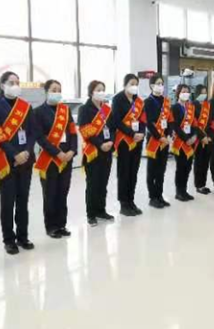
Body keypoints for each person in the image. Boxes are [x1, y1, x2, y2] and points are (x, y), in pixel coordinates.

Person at [0, 71, 37, 255]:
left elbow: (32, 132)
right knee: (7, 202)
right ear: (2, 85)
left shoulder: (26, 107)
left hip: (26, 160)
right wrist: (15, 154)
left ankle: (23, 236)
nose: (15, 85)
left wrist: (27, 151)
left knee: (23, 201)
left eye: (17, 82)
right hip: (6, 160)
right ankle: (8, 240)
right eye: (11, 82)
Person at [34, 80, 77, 239]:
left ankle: (61, 224)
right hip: (50, 158)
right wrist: (57, 153)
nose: (57, 92)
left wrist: (72, 150)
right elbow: (40, 138)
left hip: (67, 158)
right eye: (53, 89)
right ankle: (51, 226)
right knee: (50, 193)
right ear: (46, 91)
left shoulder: (65, 110)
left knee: (62, 192)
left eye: (59, 90)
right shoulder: (38, 112)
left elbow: (72, 132)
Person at [78, 80, 115, 227]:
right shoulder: (84, 109)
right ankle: (91, 214)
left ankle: (101, 210)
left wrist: (111, 141)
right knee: (93, 184)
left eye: (103, 89)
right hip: (93, 151)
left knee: (103, 183)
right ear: (91, 92)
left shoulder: (106, 109)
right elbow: (85, 130)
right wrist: (100, 144)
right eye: (98, 90)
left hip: (107, 151)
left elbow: (112, 128)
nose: (101, 92)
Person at [110, 74, 146, 216]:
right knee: (124, 172)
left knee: (133, 172)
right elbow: (116, 121)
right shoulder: (118, 99)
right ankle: (123, 204)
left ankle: (131, 201)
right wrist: (132, 134)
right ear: (125, 85)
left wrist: (141, 133)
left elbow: (143, 120)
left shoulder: (139, 101)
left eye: (136, 84)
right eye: (132, 83)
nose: (134, 86)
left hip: (137, 141)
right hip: (124, 141)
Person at [144, 74, 173, 208]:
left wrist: (168, 135)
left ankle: (159, 195)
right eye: (158, 83)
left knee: (161, 170)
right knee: (152, 170)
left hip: (165, 140)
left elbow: (170, 120)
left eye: (162, 83)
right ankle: (152, 197)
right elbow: (148, 122)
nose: (160, 86)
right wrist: (159, 136)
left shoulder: (166, 101)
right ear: (151, 86)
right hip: (154, 139)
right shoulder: (148, 102)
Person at [170, 84, 199, 201]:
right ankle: (179, 192)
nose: (185, 93)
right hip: (180, 142)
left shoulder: (190, 107)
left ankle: (184, 191)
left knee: (188, 167)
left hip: (191, 141)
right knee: (181, 168)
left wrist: (194, 136)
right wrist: (186, 139)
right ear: (178, 93)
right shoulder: (175, 107)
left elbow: (195, 124)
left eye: (187, 91)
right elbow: (175, 126)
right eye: (183, 91)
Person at [192, 84, 212, 195]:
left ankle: (203, 184)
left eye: (205, 93)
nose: (204, 95)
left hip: (208, 139)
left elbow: (211, 122)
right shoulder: (193, 105)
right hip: (198, 139)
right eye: (202, 93)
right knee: (199, 162)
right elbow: (194, 124)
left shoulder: (207, 106)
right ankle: (198, 185)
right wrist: (202, 137)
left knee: (205, 162)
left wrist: (209, 136)